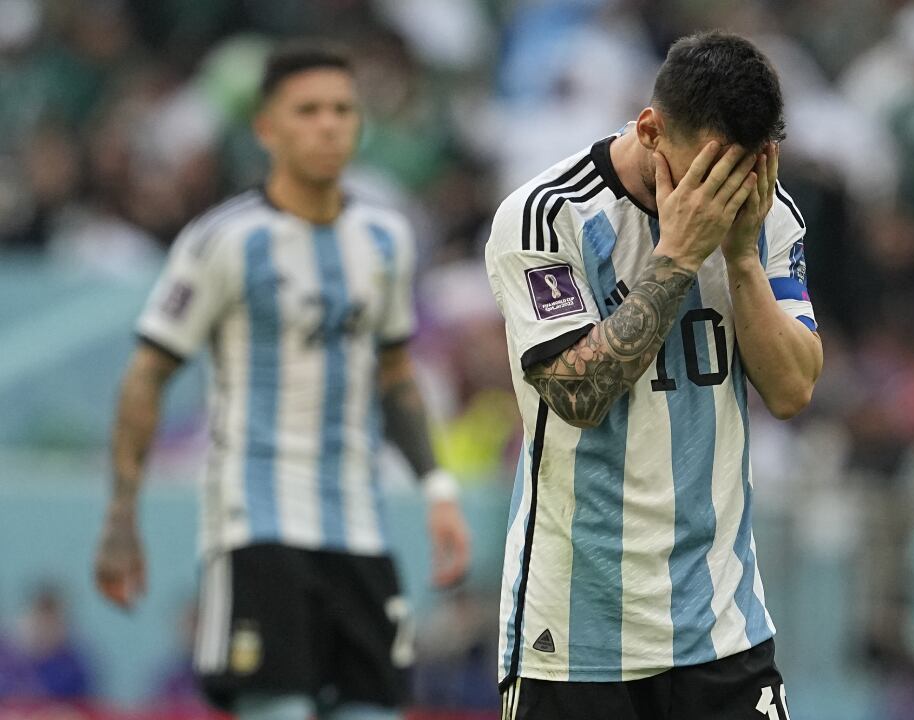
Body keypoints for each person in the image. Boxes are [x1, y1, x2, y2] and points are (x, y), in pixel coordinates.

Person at [92, 44, 471, 720]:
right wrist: (122, 516)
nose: (328, 125)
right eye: (308, 111)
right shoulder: (224, 242)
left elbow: (397, 378)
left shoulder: (386, 240)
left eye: (342, 110)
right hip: (257, 523)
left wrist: (437, 490)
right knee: (280, 710)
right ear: (266, 128)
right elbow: (146, 374)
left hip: (361, 528)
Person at [485, 31, 824, 720]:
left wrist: (741, 260)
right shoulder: (547, 216)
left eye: (749, 169)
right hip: (576, 640)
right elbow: (576, 395)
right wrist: (676, 258)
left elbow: (792, 390)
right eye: (710, 172)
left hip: (723, 629)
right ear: (650, 130)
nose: (728, 193)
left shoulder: (767, 214)